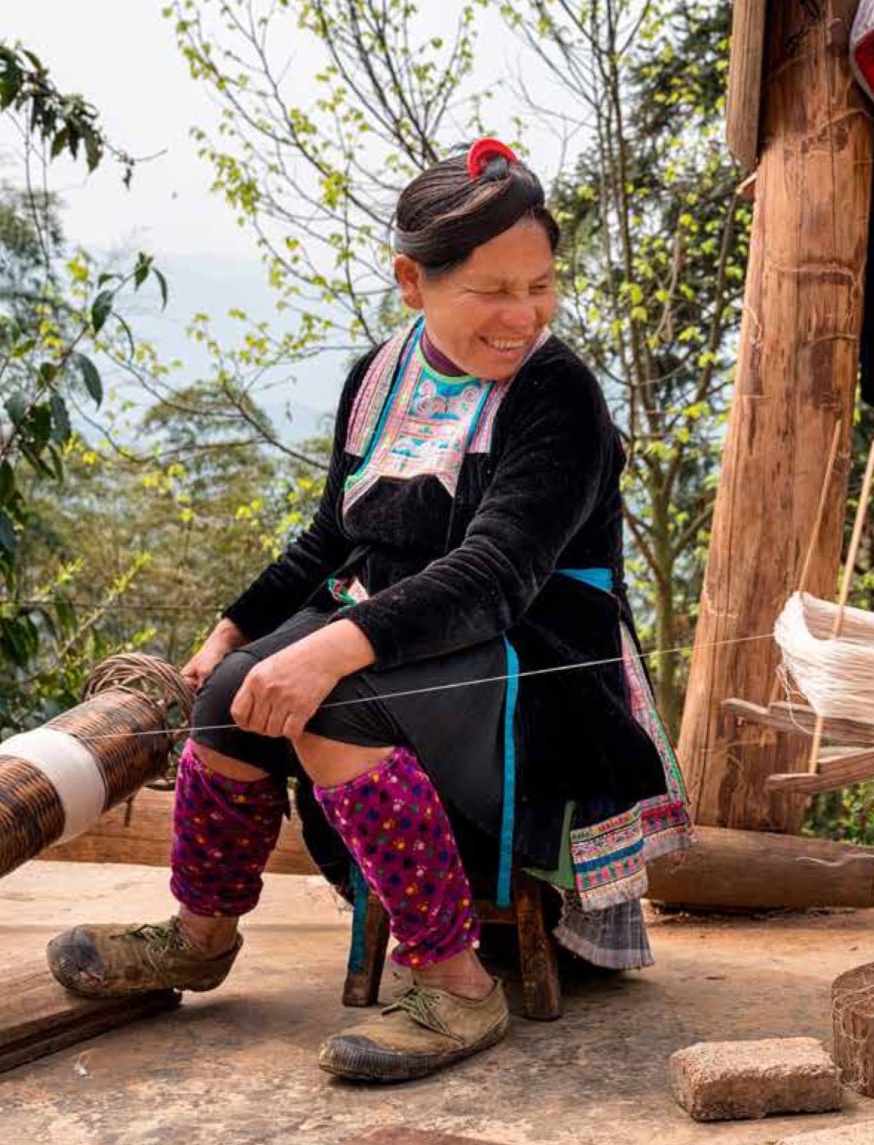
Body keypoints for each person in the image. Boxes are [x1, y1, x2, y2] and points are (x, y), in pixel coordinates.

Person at [47, 139, 692, 1083]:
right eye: (492, 292)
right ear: (412, 283)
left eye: (541, 286)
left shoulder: (558, 392)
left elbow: (496, 574)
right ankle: (200, 933)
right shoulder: (378, 377)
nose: (523, 316)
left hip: (537, 662)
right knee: (233, 692)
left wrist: (326, 654)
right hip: (406, 636)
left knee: (335, 700)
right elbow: (328, 542)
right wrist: (233, 630)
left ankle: (455, 985)